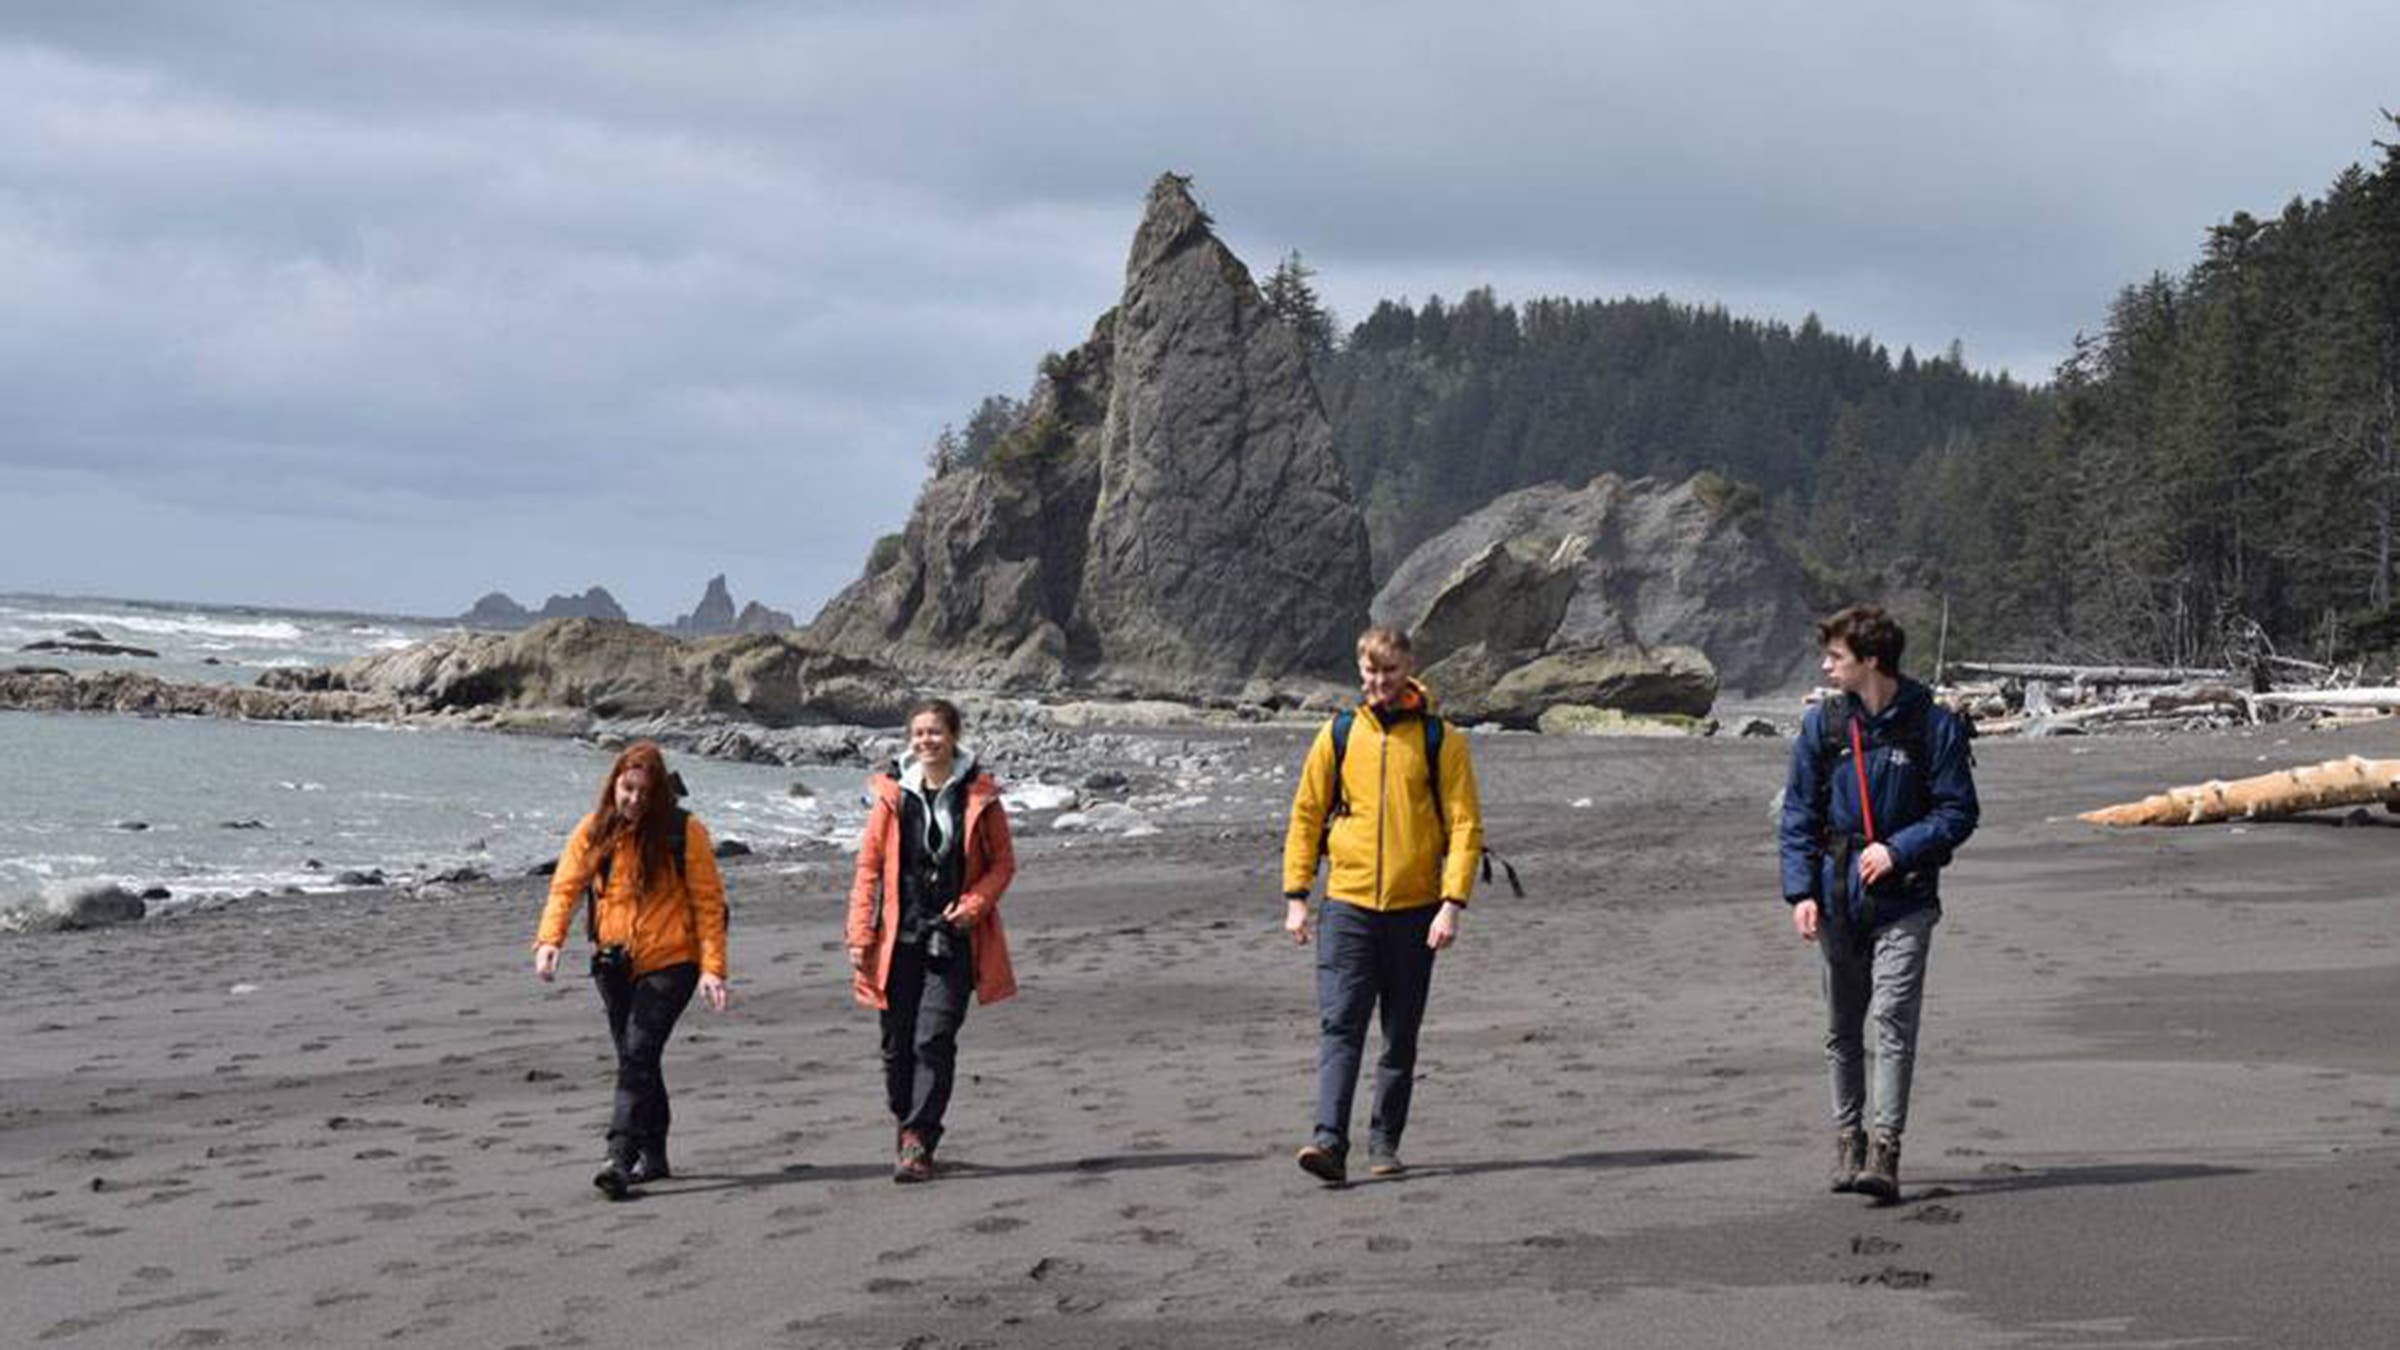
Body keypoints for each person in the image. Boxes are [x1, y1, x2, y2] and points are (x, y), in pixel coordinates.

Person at [1778, 604, 1978, 1201]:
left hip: (1906, 900)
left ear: (1870, 661)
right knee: (1842, 1029)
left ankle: (1885, 1151)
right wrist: (1800, 893)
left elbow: (1958, 812)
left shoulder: (1932, 725)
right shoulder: (1824, 726)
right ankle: (1848, 1143)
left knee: (1891, 1021)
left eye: (1836, 657)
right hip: (1837, 897)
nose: (1825, 665)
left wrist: (1899, 849)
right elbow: (1798, 814)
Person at [1281, 626, 1485, 1185]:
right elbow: (1306, 814)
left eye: (1389, 672)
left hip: (1417, 909)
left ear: (1408, 669)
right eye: (1370, 672)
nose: (1379, 683)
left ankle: (1384, 1141)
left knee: (1400, 1034)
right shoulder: (1339, 734)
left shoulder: (1443, 740)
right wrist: (1297, 895)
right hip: (1346, 905)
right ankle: (1328, 1142)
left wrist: (1452, 903)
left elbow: (1465, 824)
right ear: (1360, 670)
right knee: (1340, 1025)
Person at [532, 741, 729, 1200]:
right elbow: (566, 888)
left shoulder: (685, 832)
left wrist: (713, 969)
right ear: (613, 785)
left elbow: (708, 904)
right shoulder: (593, 830)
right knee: (637, 1059)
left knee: (638, 1053)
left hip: (673, 962)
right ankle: (655, 1156)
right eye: (627, 788)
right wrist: (549, 941)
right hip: (613, 964)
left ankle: (619, 1157)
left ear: (659, 792)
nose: (634, 799)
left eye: (644, 791)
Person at [847, 697, 1017, 1183]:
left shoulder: (981, 795)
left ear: (954, 736)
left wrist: (973, 907)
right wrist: (859, 933)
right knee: (896, 1047)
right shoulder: (890, 794)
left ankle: (920, 1138)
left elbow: (1004, 864)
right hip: (896, 940)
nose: (926, 741)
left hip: (955, 939)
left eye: (935, 732)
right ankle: (906, 1124)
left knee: (934, 1038)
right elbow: (868, 868)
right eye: (918, 733)